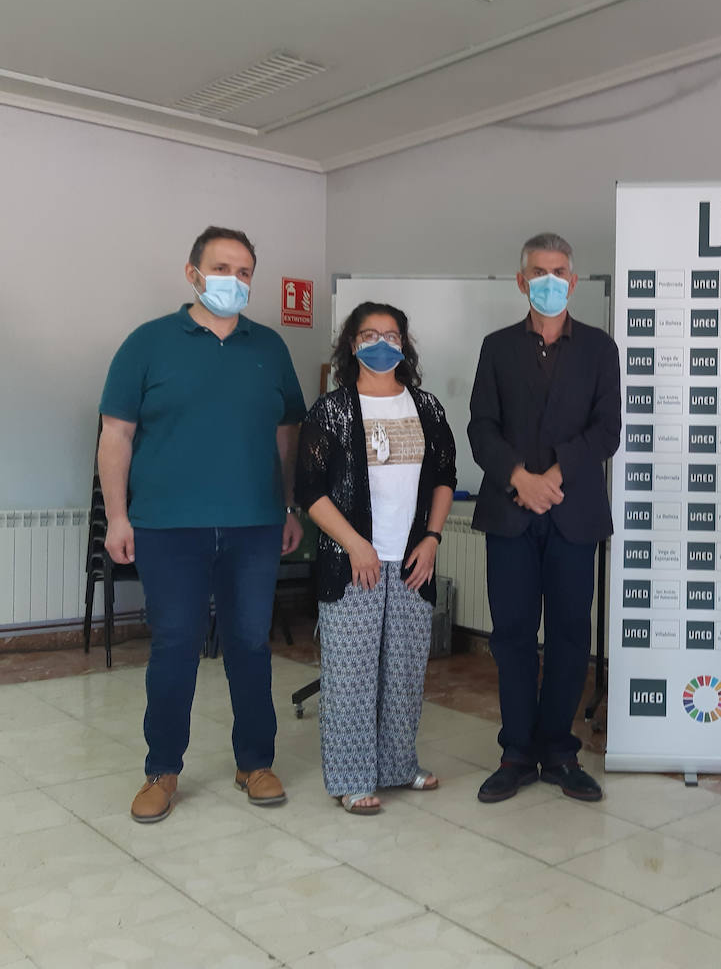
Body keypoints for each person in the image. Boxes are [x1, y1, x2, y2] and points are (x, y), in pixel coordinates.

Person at [99, 225, 306, 823]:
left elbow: (286, 432)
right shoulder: (148, 343)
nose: (234, 281)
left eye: (245, 272)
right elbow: (117, 435)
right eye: (222, 269)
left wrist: (289, 505)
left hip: (254, 526)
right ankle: (162, 770)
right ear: (192, 274)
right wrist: (117, 515)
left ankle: (254, 763)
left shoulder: (269, 347)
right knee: (175, 646)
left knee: (248, 644)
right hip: (169, 526)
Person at [467, 232, 621, 803]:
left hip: (572, 513)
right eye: (539, 271)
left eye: (559, 271)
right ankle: (515, 752)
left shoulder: (600, 349)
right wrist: (519, 479)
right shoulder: (497, 346)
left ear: (574, 282)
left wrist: (553, 477)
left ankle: (558, 751)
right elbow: (480, 427)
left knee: (569, 635)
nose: (549, 280)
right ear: (521, 280)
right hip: (510, 513)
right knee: (510, 635)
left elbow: (607, 431)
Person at [296, 303, 456, 813]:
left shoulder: (426, 407)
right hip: (352, 562)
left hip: (412, 560)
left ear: (404, 345)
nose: (381, 343)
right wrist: (355, 544)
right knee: (350, 674)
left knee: (405, 671)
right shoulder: (332, 411)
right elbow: (310, 490)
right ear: (352, 344)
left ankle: (398, 765)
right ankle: (351, 778)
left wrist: (431, 537)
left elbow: (445, 478)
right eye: (369, 335)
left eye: (391, 335)